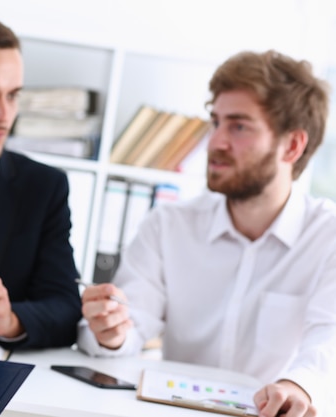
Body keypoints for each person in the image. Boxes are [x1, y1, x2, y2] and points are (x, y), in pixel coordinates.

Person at [78, 50, 336, 417]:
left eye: (239, 126)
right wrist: (112, 332)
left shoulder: (328, 238)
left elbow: (329, 342)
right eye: (215, 122)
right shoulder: (167, 225)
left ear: (292, 145)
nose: (215, 142)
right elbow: (129, 326)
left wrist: (297, 386)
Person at [0, 13, 82, 352]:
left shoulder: (43, 187)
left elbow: (65, 307)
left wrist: (8, 319)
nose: (3, 114)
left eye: (12, 95)